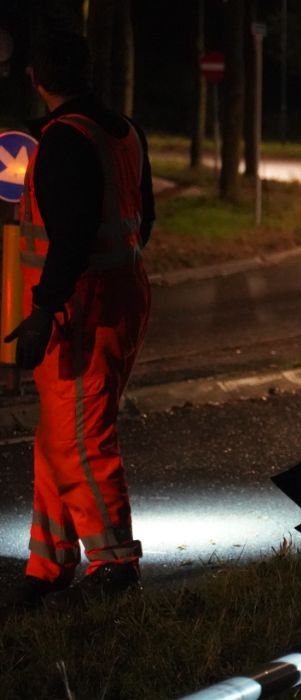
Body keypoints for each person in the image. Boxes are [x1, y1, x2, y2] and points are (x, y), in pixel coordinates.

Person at [3, 29, 154, 607]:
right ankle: (50, 562)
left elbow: (68, 239)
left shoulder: (58, 142)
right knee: (57, 436)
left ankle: (115, 564)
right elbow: (143, 219)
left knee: (82, 440)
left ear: (35, 78)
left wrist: (43, 311)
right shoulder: (124, 131)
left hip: (78, 306)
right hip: (121, 293)